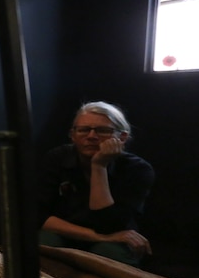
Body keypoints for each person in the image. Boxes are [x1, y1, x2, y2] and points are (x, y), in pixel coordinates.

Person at [37, 101, 153, 266]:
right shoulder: (56, 159)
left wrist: (99, 166)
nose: (91, 136)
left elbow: (108, 225)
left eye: (103, 130)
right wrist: (98, 236)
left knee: (109, 253)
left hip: (115, 236)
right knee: (44, 241)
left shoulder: (137, 169)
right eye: (84, 130)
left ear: (122, 137)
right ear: (73, 135)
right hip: (65, 232)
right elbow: (39, 216)